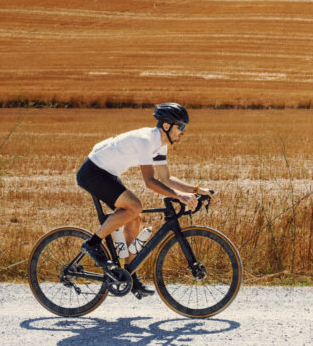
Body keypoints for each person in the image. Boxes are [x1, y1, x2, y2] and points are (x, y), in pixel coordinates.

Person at [75, 102, 213, 297]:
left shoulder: (160, 144)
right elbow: (150, 181)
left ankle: (129, 275)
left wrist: (198, 189)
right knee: (135, 206)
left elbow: (166, 178)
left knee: (134, 218)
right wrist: (179, 196)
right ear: (166, 126)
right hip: (93, 172)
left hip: (107, 173)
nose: (183, 131)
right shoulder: (146, 141)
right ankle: (92, 244)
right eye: (180, 127)